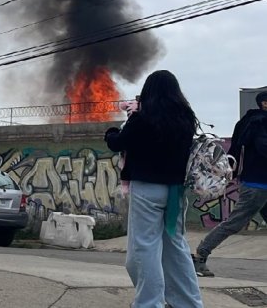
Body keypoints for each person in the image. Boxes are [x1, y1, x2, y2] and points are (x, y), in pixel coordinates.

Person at [105, 70, 203, 308]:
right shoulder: (186, 118)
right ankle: (188, 303)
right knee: (177, 248)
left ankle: (149, 303)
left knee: (144, 249)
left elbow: (118, 142)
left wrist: (111, 132)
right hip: (175, 191)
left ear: (148, 92)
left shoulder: (143, 117)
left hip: (147, 189)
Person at [192, 91, 267, 277]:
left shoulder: (247, 122)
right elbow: (263, 147)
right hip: (258, 184)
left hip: (256, 181)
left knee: (234, 223)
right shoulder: (260, 122)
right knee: (234, 223)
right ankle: (201, 255)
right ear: (264, 104)